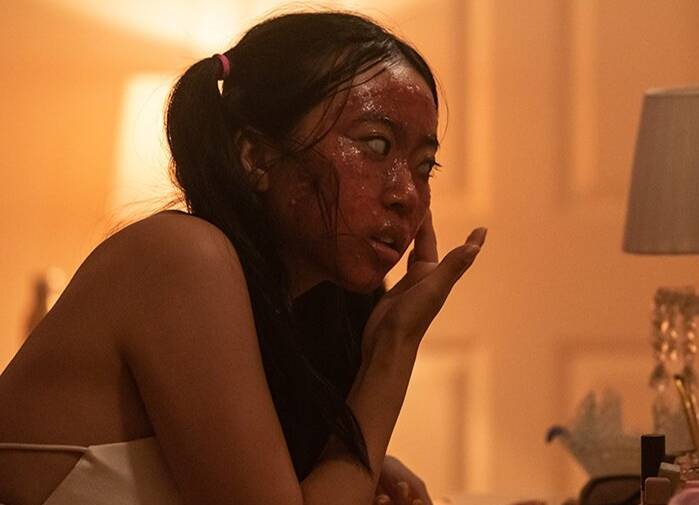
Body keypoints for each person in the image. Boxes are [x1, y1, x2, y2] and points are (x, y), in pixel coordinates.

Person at [0, 11, 486, 505]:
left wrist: (353, 467)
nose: (407, 193)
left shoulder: (309, 311)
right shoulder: (180, 256)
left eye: (424, 165)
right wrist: (393, 349)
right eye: (375, 144)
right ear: (256, 156)